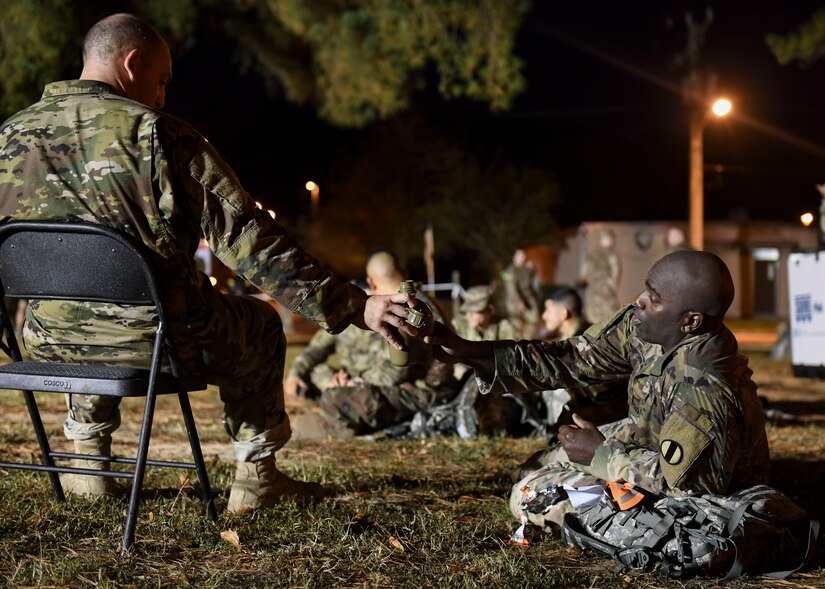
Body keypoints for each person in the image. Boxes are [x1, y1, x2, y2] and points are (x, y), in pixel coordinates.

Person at [0, 14, 419, 513]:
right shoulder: (159, 135)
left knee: (86, 311)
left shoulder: (8, 135)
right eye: (161, 80)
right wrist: (353, 306)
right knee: (261, 325)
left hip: (45, 342)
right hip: (160, 342)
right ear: (132, 64)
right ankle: (256, 477)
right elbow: (250, 241)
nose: (161, 96)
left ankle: (89, 463)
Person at [425, 250, 770, 532]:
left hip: (702, 495)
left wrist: (600, 456)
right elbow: (570, 358)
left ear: (690, 321)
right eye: (645, 289)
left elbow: (686, 488)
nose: (639, 300)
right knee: (534, 468)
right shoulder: (646, 329)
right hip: (649, 448)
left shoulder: (706, 386)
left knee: (531, 495)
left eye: (654, 297)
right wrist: (469, 351)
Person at [288, 250, 455, 437]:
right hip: (369, 382)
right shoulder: (366, 306)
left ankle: (334, 424)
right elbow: (318, 347)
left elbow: (396, 372)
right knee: (316, 372)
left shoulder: (411, 308)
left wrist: (352, 384)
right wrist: (297, 374)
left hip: (419, 391)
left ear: (371, 281)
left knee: (337, 398)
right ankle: (339, 400)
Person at [581, 229, 621, 325]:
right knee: (604, 316)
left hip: (599, 288)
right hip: (600, 288)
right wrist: (612, 284)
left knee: (604, 316)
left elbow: (585, 272)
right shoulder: (609, 255)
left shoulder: (609, 255)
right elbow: (616, 273)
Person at [501, 249, 541, 338]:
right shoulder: (510, 271)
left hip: (527, 297)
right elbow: (511, 290)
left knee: (534, 319)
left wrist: (532, 269)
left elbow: (529, 280)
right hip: (515, 301)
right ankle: (516, 344)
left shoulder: (525, 268)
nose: (523, 258)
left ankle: (528, 340)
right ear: (514, 258)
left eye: (524, 256)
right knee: (515, 325)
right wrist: (519, 302)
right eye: (521, 256)